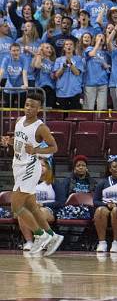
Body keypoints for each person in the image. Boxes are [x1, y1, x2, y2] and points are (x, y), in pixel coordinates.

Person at [10, 91, 63, 257]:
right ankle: (53, 236)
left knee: (16, 207)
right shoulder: (19, 121)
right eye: (27, 105)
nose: (28, 109)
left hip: (30, 168)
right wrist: (8, 142)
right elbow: (19, 142)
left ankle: (40, 236)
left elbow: (54, 148)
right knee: (32, 206)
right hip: (17, 166)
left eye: (33, 106)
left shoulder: (41, 127)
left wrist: (36, 150)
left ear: (39, 109)